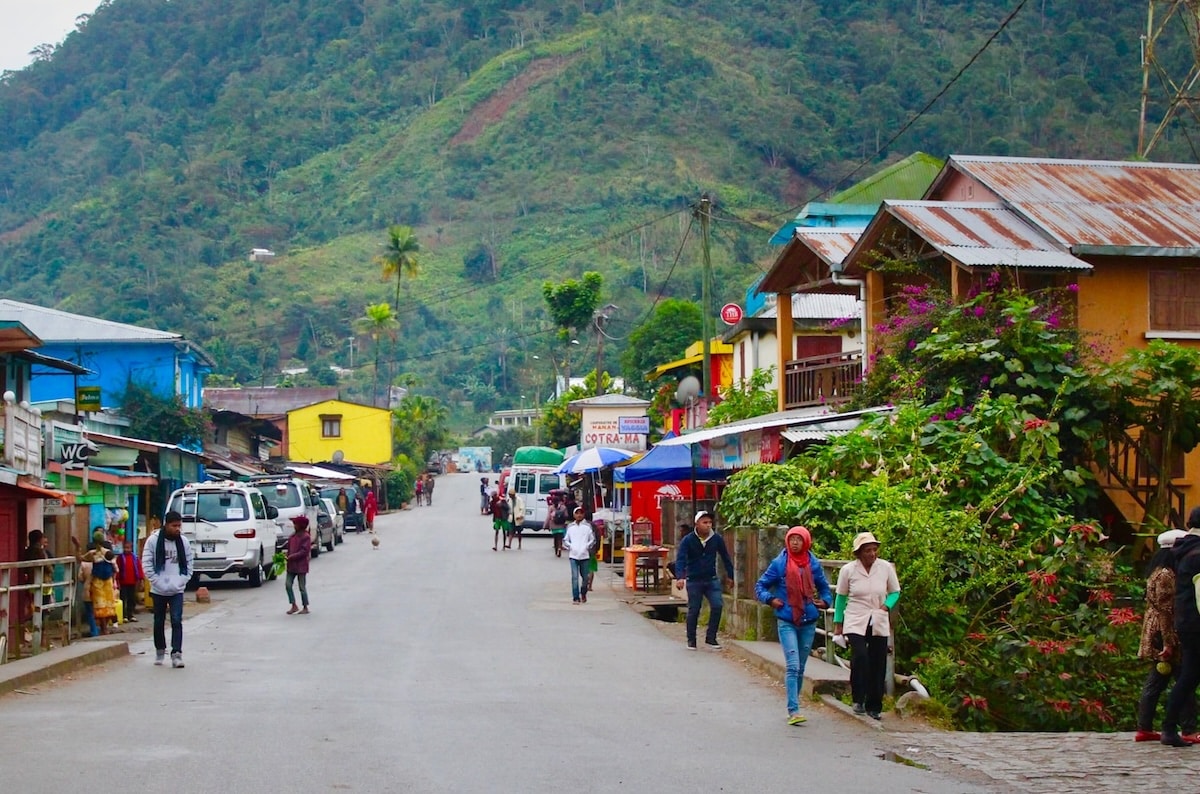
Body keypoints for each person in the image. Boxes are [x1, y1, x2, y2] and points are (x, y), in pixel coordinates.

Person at [755, 526, 832, 725]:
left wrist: (825, 601)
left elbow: (824, 587)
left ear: (806, 541)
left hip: (808, 620)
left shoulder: (813, 564)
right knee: (793, 665)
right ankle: (794, 710)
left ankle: (794, 703)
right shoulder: (779, 563)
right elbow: (760, 586)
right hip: (787, 619)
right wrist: (771, 600)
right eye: (792, 539)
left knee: (801, 667)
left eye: (799, 539)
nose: (795, 543)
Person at [1137, 529, 1198, 743]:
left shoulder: (1157, 571)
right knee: (1183, 678)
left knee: (1159, 679)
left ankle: (1145, 725)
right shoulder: (1166, 574)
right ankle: (1187, 727)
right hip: (1165, 632)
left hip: (1161, 630)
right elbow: (1165, 610)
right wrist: (1169, 641)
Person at [833, 532, 901, 720]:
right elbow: (841, 597)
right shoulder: (848, 570)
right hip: (856, 618)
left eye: (874, 550)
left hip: (878, 617)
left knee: (878, 661)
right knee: (861, 656)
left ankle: (874, 705)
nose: (872, 554)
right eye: (867, 550)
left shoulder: (885, 568)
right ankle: (858, 698)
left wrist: (886, 605)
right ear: (859, 553)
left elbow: (895, 592)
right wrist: (838, 624)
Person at [1162, 507, 1200, 746]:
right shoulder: (1198, 554)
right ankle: (1168, 727)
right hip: (1197, 622)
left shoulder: (1186, 549)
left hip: (1187, 621)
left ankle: (1169, 727)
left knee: (1190, 675)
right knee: (1189, 676)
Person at [674, 511, 735, 651]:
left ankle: (711, 637)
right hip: (694, 580)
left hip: (711, 579)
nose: (708, 525)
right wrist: (680, 577)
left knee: (717, 605)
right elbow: (681, 559)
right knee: (694, 609)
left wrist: (730, 575)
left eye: (710, 523)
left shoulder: (716, 539)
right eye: (705, 522)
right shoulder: (688, 540)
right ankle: (691, 639)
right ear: (697, 524)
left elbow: (725, 557)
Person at [141, 510, 194, 669]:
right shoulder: (153, 541)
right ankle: (160, 649)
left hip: (177, 589)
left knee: (176, 620)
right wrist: (156, 582)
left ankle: (176, 654)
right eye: (174, 526)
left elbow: (190, 564)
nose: (177, 529)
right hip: (159, 589)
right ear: (166, 524)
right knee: (159, 621)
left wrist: (182, 581)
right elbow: (147, 563)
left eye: (179, 526)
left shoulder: (183, 542)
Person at [563, 507, 595, 604]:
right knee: (575, 577)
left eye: (581, 513)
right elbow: (565, 540)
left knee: (585, 577)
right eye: (577, 513)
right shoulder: (570, 527)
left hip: (585, 556)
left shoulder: (588, 527)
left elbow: (592, 539)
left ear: (583, 515)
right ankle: (576, 597)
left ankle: (583, 592)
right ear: (574, 515)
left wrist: (587, 546)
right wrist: (570, 546)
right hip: (573, 555)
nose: (579, 515)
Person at [285, 515, 312, 615]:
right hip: (291, 565)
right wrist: (286, 555)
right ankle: (293, 605)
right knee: (288, 585)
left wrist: (292, 556)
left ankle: (305, 606)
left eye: (295, 524)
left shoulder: (306, 537)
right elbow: (289, 549)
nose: (294, 526)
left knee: (302, 587)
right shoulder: (292, 536)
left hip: (301, 566)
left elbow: (304, 551)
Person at [115, 539, 145, 623]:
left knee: (132, 599)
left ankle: (130, 614)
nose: (126, 549)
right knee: (123, 598)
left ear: (131, 548)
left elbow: (139, 569)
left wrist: (141, 579)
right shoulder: (120, 558)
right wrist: (117, 581)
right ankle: (124, 615)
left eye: (128, 548)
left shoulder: (135, 558)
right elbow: (117, 569)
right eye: (125, 548)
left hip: (133, 582)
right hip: (123, 582)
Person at [545, 490, 569, 557]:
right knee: (560, 538)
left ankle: (556, 550)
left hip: (554, 525)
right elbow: (566, 516)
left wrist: (545, 526)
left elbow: (548, 517)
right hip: (561, 525)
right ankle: (559, 547)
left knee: (555, 538)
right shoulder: (563, 507)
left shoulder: (551, 508)